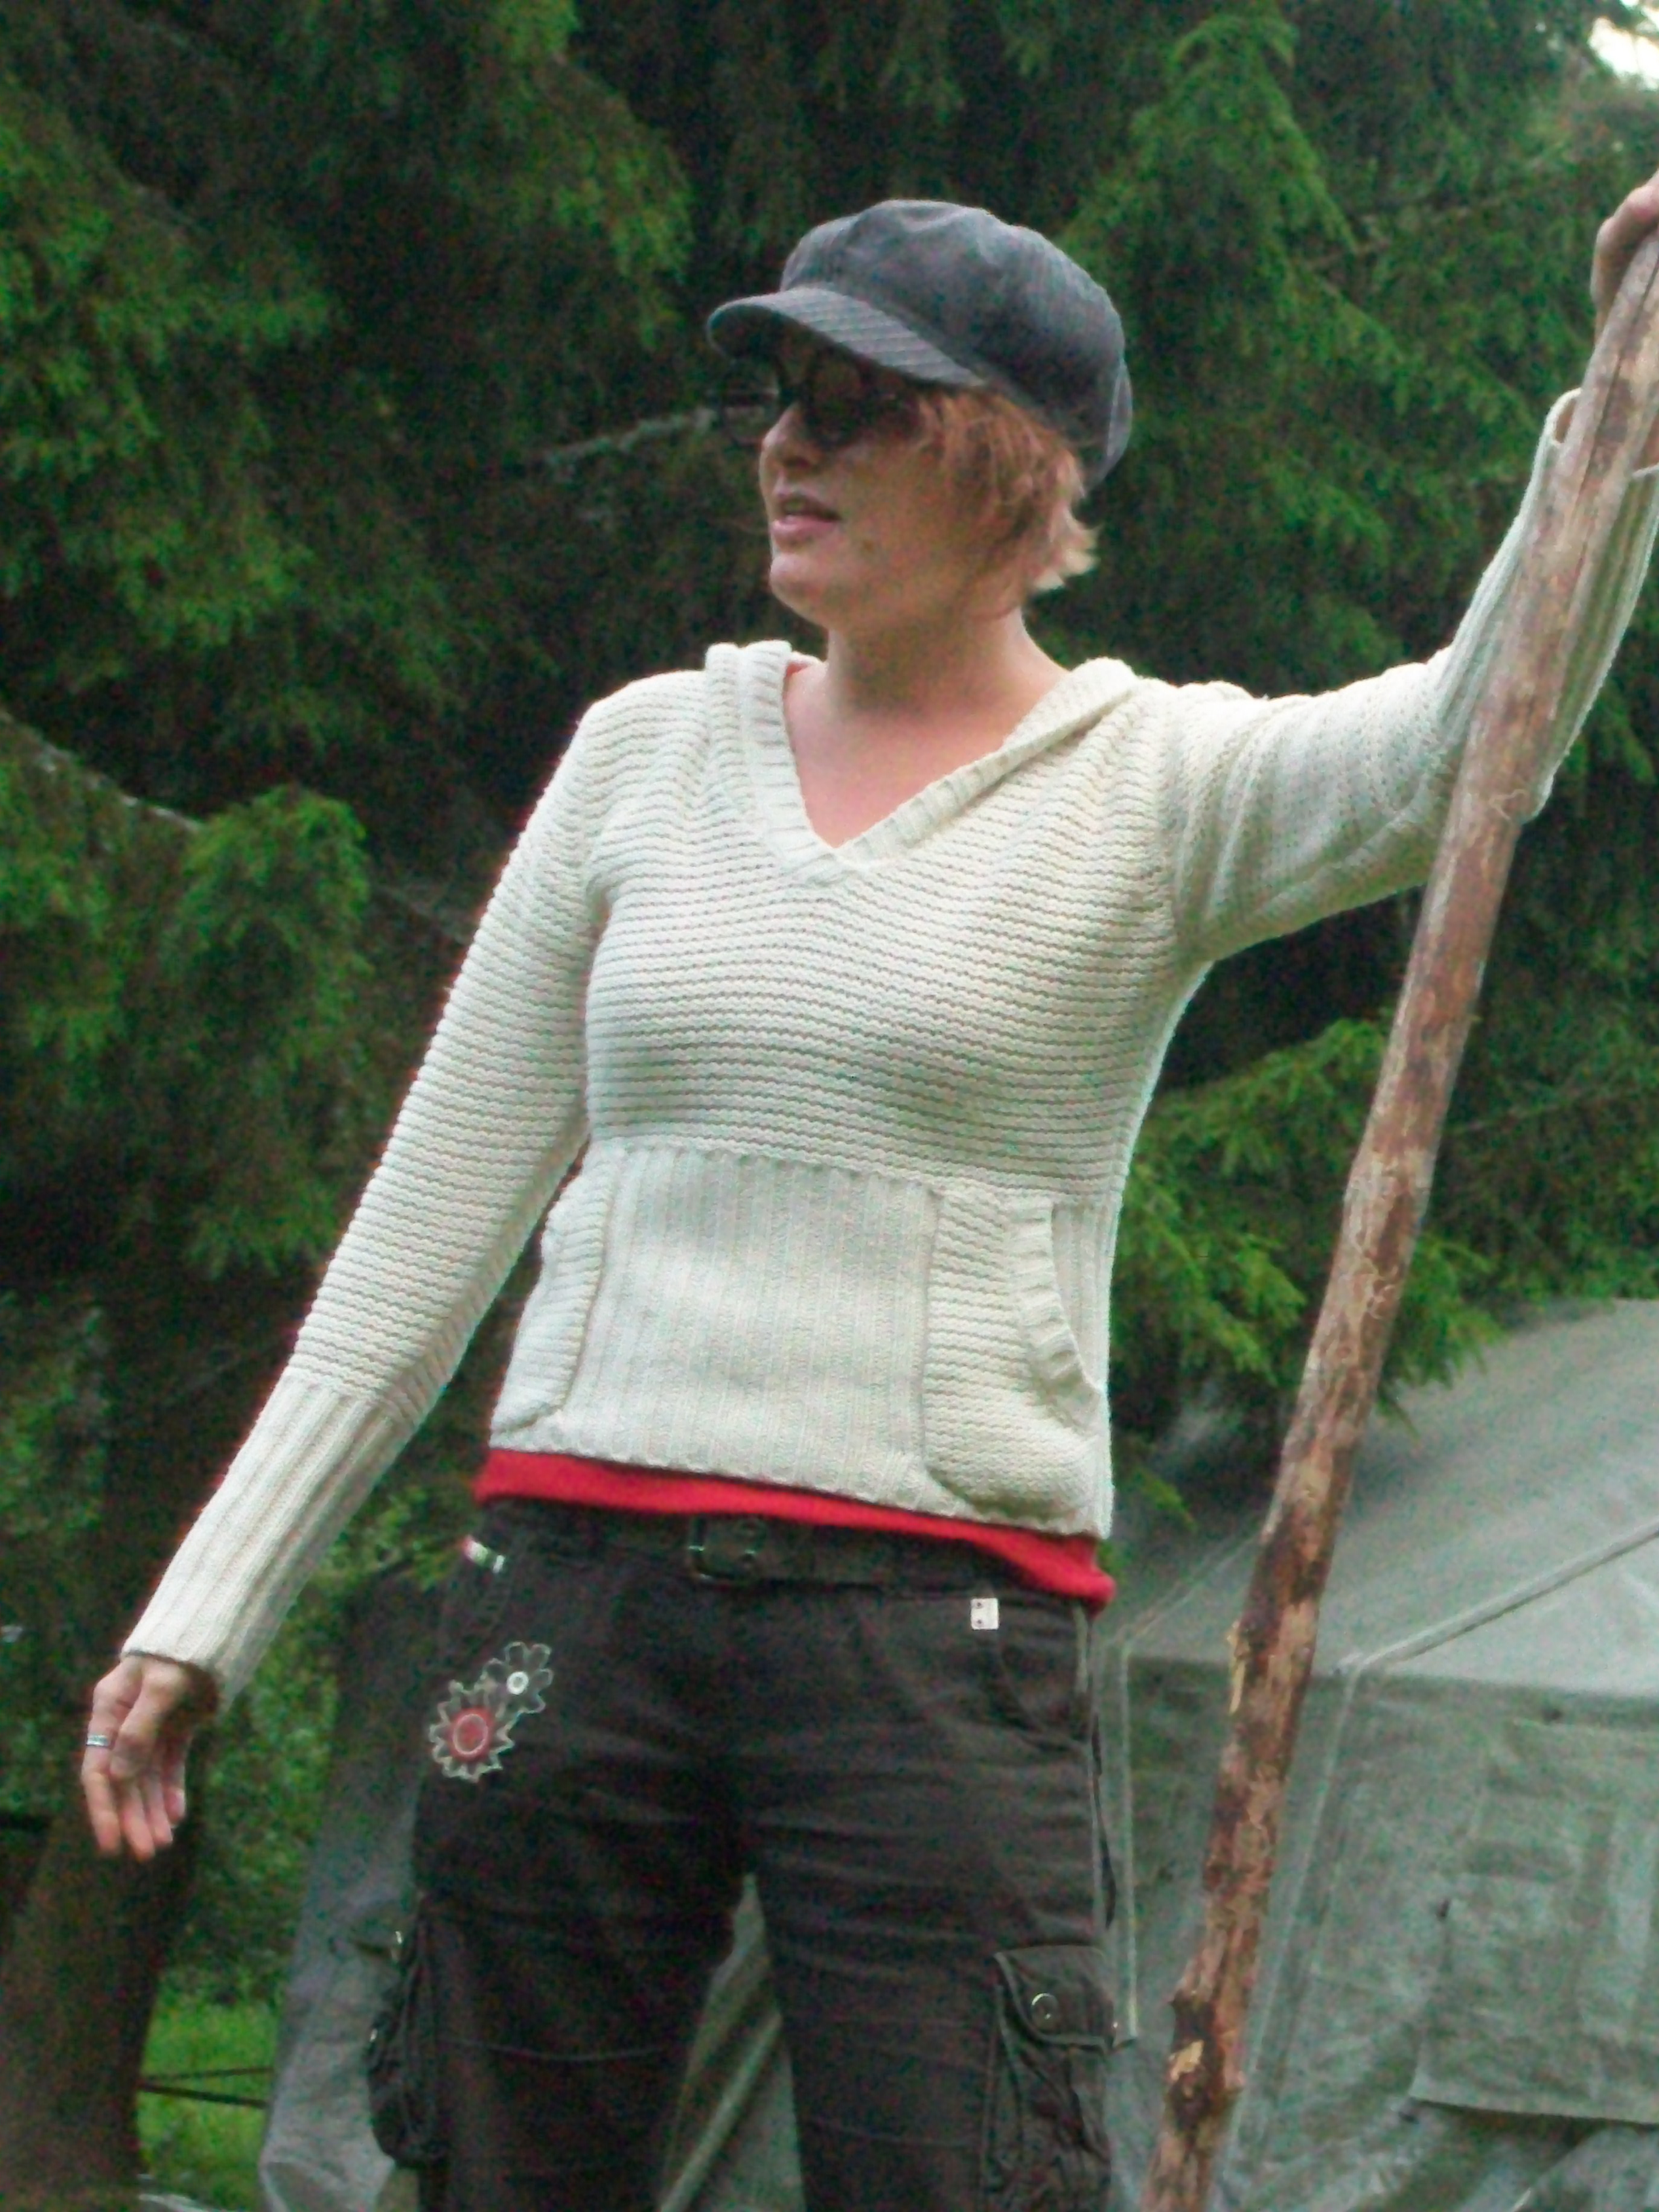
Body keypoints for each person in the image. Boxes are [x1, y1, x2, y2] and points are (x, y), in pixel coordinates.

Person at [83, 182, 1659, 2212]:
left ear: (1012, 470)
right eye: (780, 396)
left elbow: (1466, 755)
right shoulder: (642, 756)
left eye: (857, 405)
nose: (787, 443)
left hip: (936, 1636)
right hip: (570, 1598)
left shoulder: (1153, 784)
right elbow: (425, 1225)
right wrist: (204, 1612)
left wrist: (1615, 425)